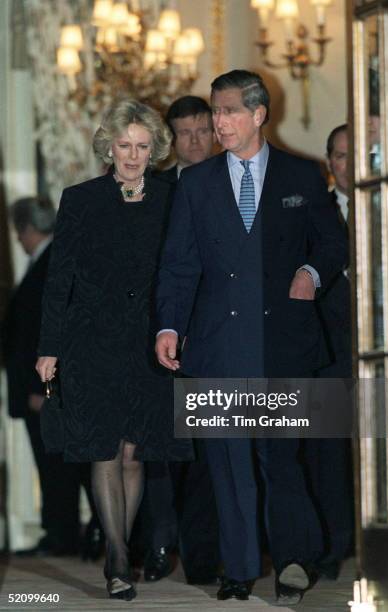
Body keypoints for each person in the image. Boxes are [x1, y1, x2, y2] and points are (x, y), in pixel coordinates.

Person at [155, 70, 348, 605]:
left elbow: (332, 245)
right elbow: (178, 265)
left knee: (280, 459)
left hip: (282, 342)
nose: (218, 122)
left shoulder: (302, 176)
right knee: (226, 463)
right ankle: (238, 569)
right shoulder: (194, 184)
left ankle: (291, 561)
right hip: (216, 344)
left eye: (230, 111)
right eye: (215, 111)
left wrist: (310, 273)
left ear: (259, 114)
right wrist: (169, 326)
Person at [36, 99, 192, 601]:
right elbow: (59, 280)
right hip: (91, 342)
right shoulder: (80, 199)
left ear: (155, 150)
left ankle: (119, 545)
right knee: (104, 447)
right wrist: (49, 347)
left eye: (142, 146)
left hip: (149, 343)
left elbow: (182, 271)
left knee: (133, 452)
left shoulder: (172, 198)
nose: (132, 154)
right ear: (110, 146)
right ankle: (119, 554)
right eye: (124, 145)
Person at [142, 95, 219, 585]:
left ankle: (205, 555)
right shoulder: (154, 192)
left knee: (212, 453)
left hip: (215, 337)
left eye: (201, 130)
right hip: (163, 339)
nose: (194, 142)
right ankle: (158, 543)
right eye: (183, 133)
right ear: (171, 139)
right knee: (163, 455)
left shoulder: (238, 182)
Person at [2, 196, 83, 556]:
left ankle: (62, 535)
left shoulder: (49, 265)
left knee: (57, 467)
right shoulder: (47, 262)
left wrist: (43, 389)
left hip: (44, 390)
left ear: (27, 228)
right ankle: (61, 533)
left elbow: (48, 334)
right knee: (55, 464)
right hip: (41, 388)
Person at [304, 123, 354, 579]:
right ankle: (334, 546)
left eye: (359, 153)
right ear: (329, 164)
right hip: (329, 349)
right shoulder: (314, 212)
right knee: (329, 455)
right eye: (340, 155)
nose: (351, 163)